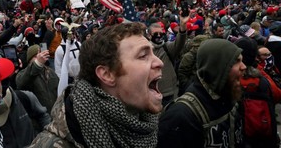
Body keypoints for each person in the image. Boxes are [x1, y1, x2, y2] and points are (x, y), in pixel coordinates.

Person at [29, 22, 164, 147]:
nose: (159, 62)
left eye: (153, 53)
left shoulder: (148, 127)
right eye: (142, 56)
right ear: (106, 75)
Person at [157, 39, 246, 148]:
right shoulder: (180, 116)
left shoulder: (232, 98)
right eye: (236, 61)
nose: (243, 66)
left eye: (242, 60)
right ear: (217, 67)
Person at [147, 12, 188, 106]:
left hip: (169, 93)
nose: (159, 36)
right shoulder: (144, 51)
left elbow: (180, 42)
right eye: (155, 34)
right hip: (152, 95)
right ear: (149, 35)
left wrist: (183, 26)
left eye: (161, 33)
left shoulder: (167, 47)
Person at [15, 44, 59, 113]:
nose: (40, 58)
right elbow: (21, 83)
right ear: (29, 60)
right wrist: (37, 64)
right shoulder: (23, 74)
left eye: (41, 56)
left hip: (55, 115)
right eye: (36, 57)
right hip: (39, 119)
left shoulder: (51, 72)